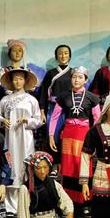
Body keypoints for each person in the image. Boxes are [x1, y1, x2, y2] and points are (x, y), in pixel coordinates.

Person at [49, 66, 100, 215]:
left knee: (83, 165)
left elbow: (97, 119)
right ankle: (69, 202)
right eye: (74, 77)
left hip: (85, 135)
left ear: (85, 80)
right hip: (68, 136)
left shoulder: (92, 97)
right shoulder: (63, 96)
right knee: (68, 167)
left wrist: (95, 139)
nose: (76, 80)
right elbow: (54, 117)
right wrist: (51, 135)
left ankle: (85, 202)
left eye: (80, 77)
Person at [0, 67, 42, 215]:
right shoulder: (5, 100)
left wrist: (27, 120)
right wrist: (2, 121)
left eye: (21, 78)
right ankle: (10, 205)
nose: (18, 81)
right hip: (10, 138)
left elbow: (38, 120)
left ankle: (25, 203)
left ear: (25, 81)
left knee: (25, 164)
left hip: (26, 138)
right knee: (11, 165)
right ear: (11, 81)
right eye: (15, 79)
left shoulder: (31, 100)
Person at [37, 44, 73, 176]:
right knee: (53, 136)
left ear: (70, 56)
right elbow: (43, 93)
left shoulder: (74, 73)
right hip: (53, 109)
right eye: (60, 53)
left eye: (66, 53)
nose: (63, 55)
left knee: (68, 137)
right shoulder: (51, 73)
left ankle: (66, 166)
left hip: (69, 109)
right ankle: (54, 166)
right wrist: (42, 111)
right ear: (56, 56)